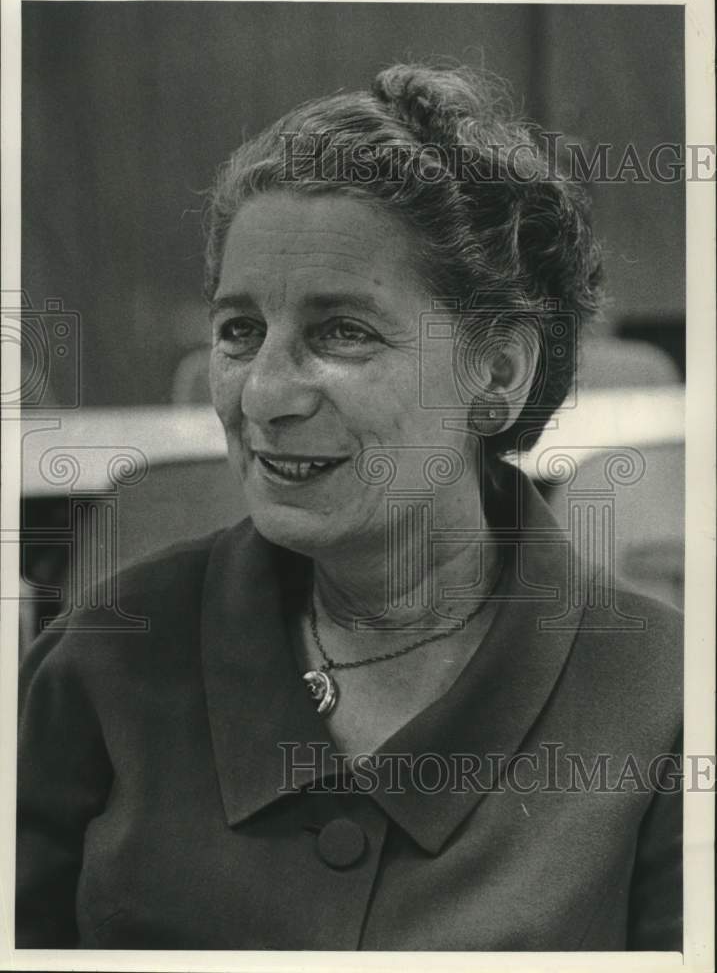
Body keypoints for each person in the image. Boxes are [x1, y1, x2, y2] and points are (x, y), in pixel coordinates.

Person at [16, 63, 682, 951]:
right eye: (239, 331)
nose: (264, 396)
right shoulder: (98, 665)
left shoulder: (666, 703)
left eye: (342, 332)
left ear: (498, 374)